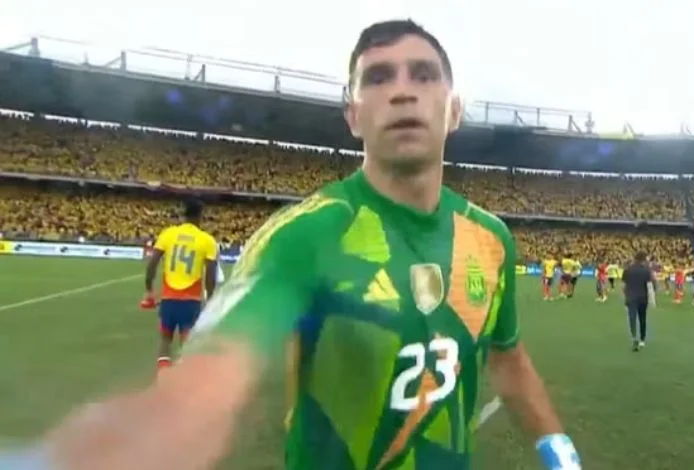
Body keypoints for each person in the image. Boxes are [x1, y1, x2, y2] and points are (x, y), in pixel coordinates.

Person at [2, 20, 581, 470]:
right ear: (353, 116)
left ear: (454, 110)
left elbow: (507, 354)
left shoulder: (492, 239)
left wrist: (558, 448)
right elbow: (211, 379)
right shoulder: (303, 235)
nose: (402, 93)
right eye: (378, 78)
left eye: (424, 75)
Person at [141, 199, 219, 373]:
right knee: (187, 343)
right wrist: (211, 297)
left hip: (168, 298)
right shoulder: (207, 240)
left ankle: (162, 378)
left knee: (165, 341)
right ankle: (185, 382)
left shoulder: (168, 234)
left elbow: (152, 263)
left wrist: (149, 289)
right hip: (191, 300)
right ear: (200, 216)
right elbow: (211, 274)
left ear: (184, 215)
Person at [622, 251, 656, 352]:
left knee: (632, 318)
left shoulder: (628, 270)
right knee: (642, 318)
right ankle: (642, 339)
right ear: (644, 259)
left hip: (631, 297)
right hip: (642, 298)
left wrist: (626, 297)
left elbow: (623, 286)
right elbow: (650, 286)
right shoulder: (646, 270)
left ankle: (634, 338)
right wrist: (652, 300)